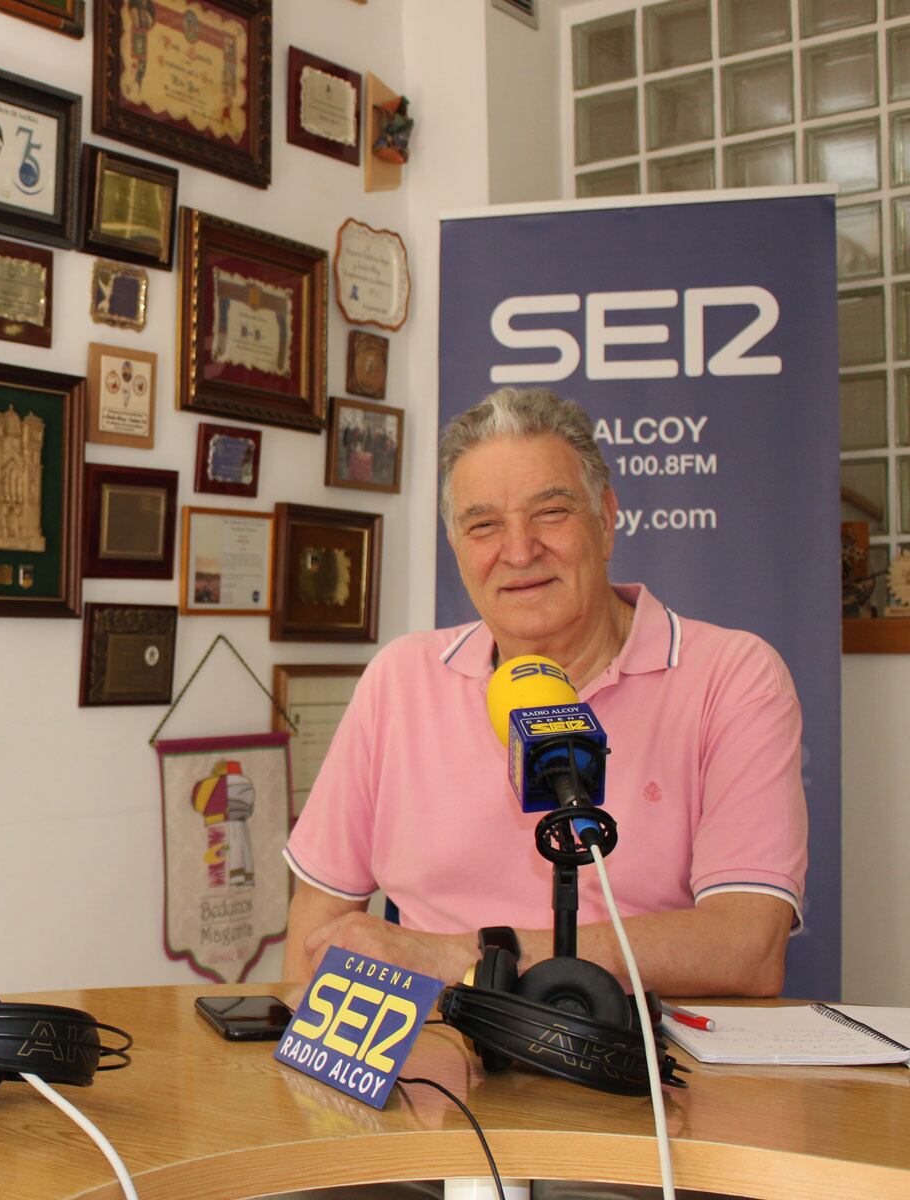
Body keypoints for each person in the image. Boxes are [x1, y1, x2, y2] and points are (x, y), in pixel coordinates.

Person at [282, 387, 807, 999]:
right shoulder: (401, 679)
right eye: (483, 525)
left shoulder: (734, 677)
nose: (519, 550)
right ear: (455, 546)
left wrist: (463, 959)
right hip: (431, 1069)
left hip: (637, 1075)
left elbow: (749, 948)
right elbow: (312, 936)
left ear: (606, 520)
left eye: (551, 513)